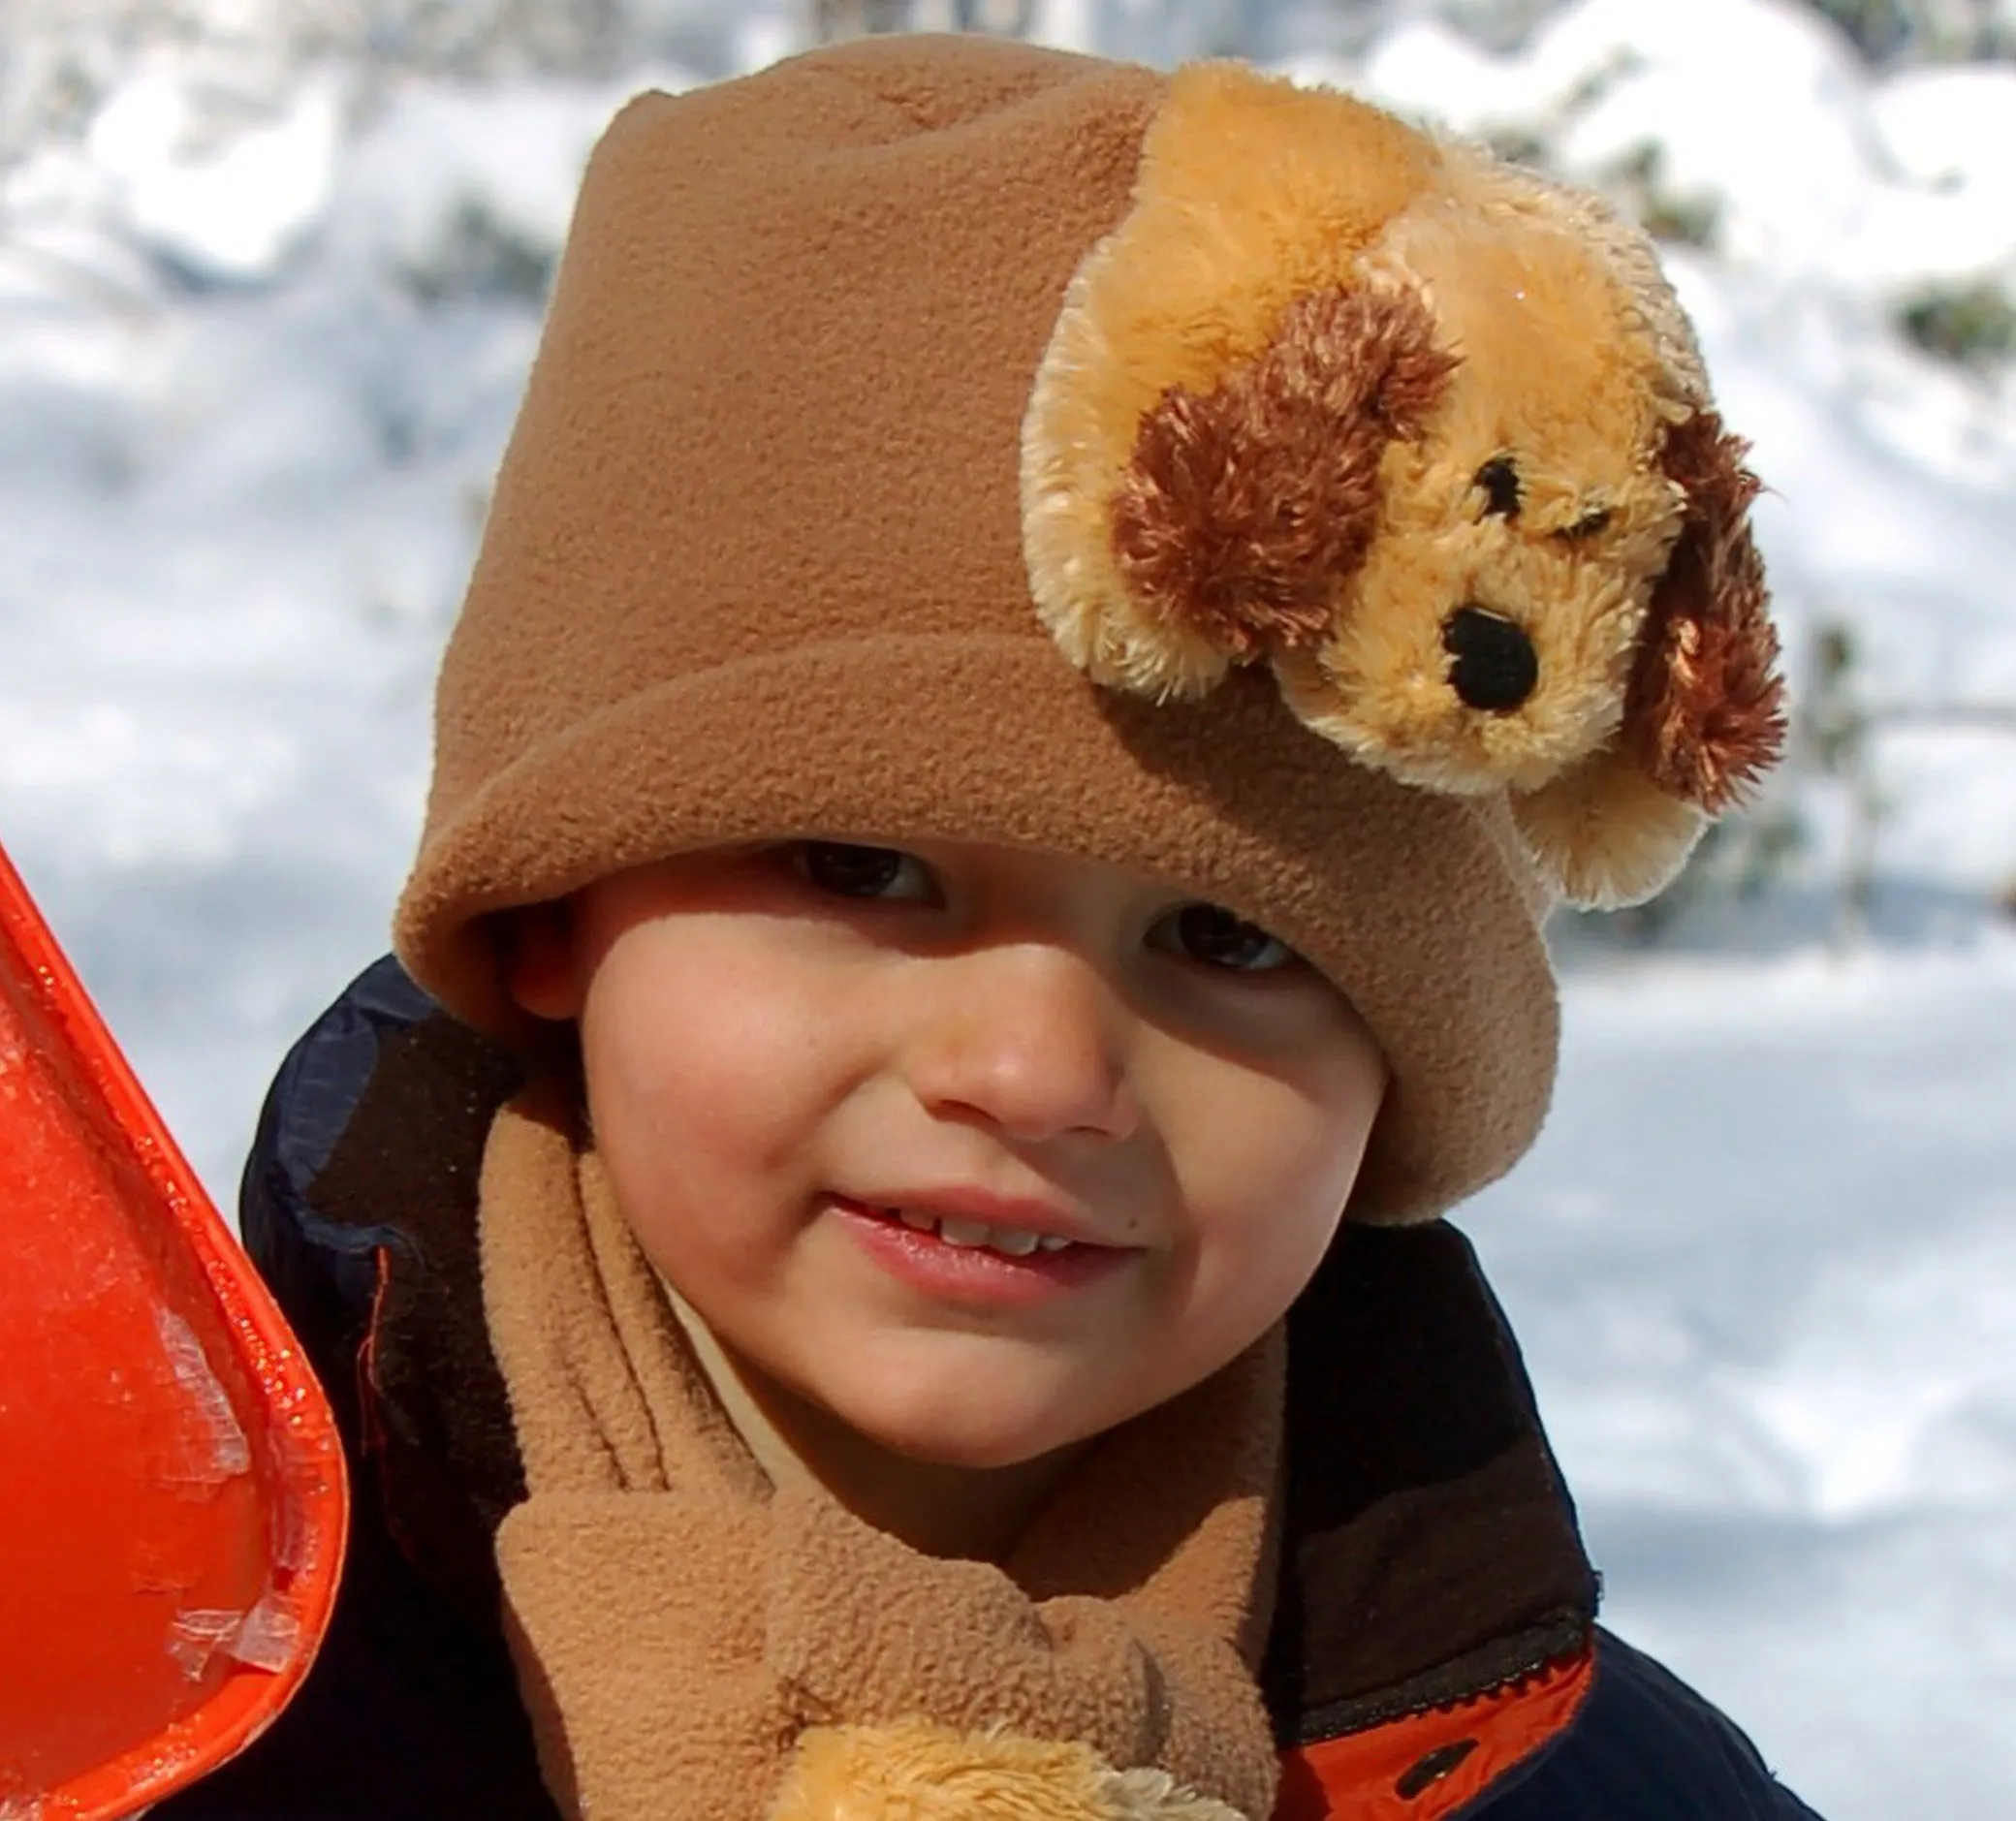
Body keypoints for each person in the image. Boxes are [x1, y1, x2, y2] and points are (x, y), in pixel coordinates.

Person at [156, 30, 1821, 1821]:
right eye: (864, 873)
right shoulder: (156, 1671)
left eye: (1232, 936)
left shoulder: (1561, 1781)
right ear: (558, 903)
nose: (1037, 1069)